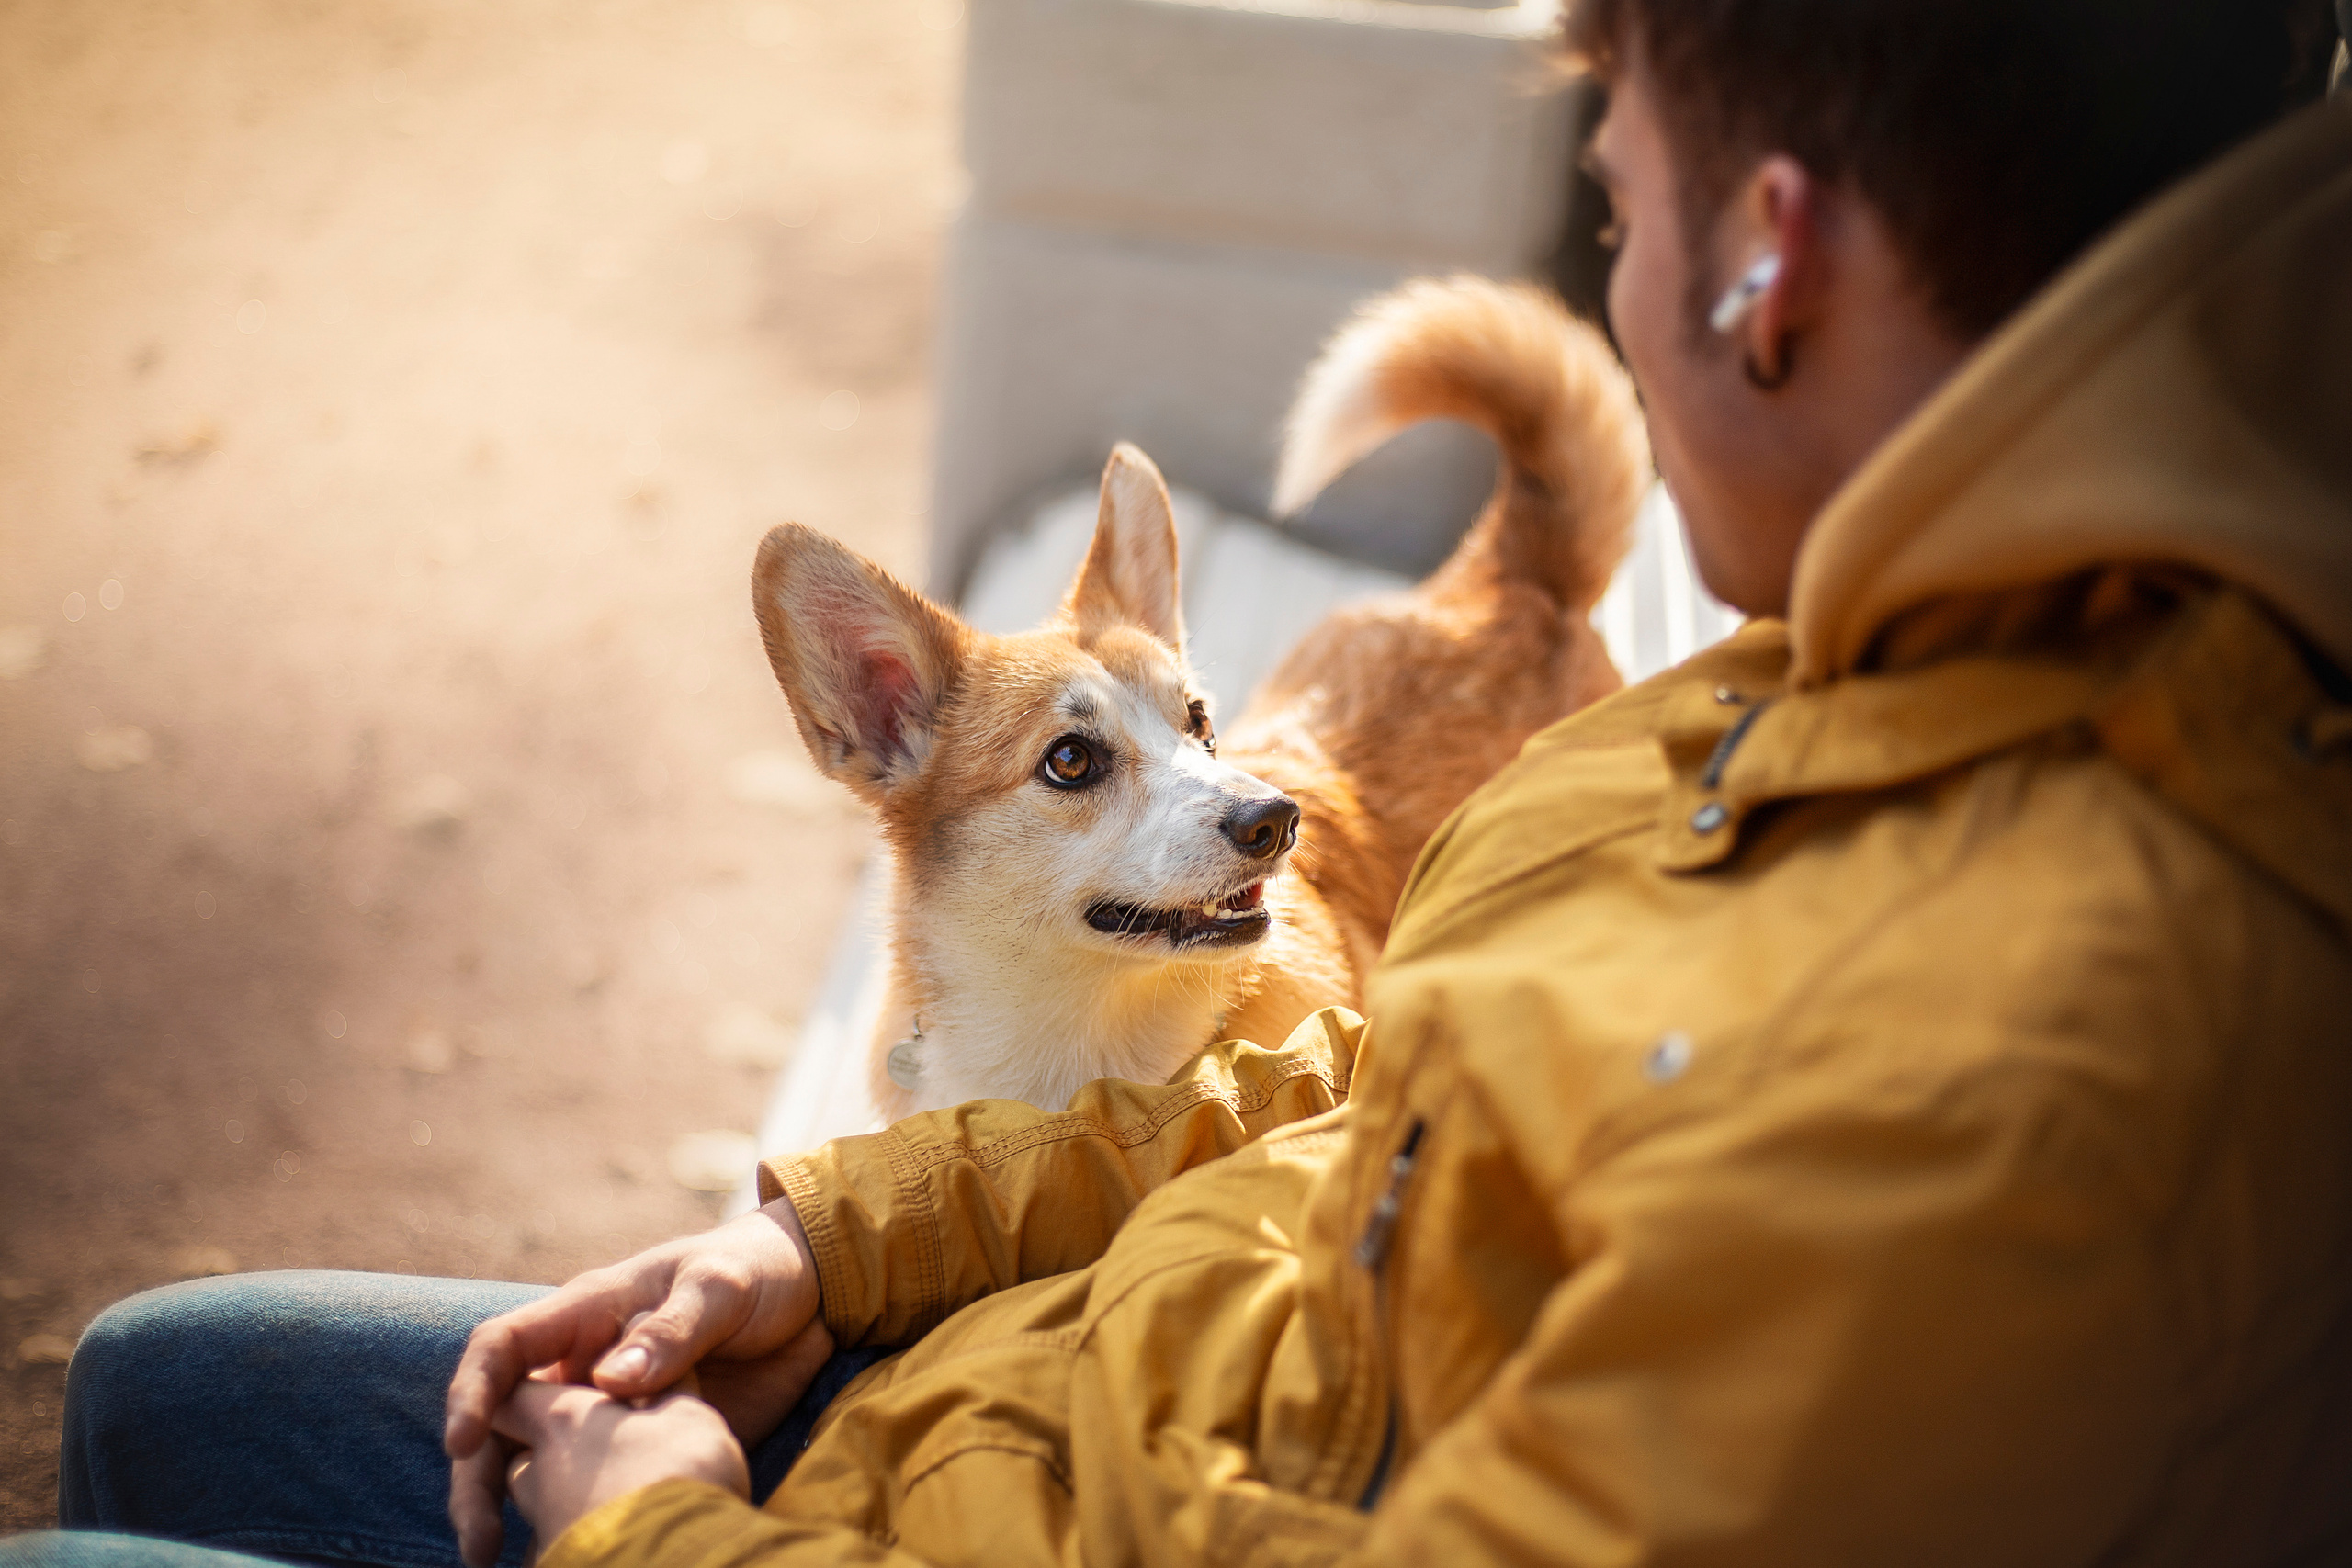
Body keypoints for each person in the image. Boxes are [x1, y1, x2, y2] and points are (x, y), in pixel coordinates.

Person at [15, 1, 2351, 1564]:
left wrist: (660, 1519)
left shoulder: (2014, 1085)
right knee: (151, 1378)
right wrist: (840, 1240)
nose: (1615, 298)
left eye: (1613, 218)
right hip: (980, 1392)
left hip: (876, 1511)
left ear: (1768, 265)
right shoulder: (1827, 674)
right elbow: (1357, 1089)